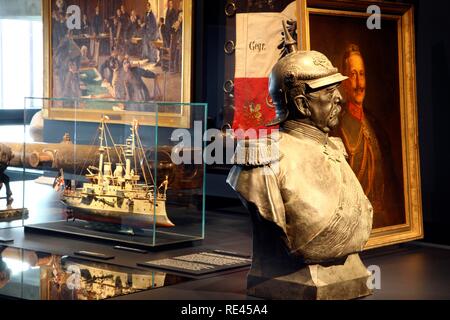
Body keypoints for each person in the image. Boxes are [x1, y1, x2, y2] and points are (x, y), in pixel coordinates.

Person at [227, 24, 373, 299]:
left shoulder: (335, 149)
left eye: (336, 90)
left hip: (349, 272)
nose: (340, 98)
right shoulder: (262, 164)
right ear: (302, 104)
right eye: (329, 93)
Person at [337, 44, 404, 228]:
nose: (360, 83)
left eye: (362, 74)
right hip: (354, 222)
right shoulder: (337, 127)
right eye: (353, 75)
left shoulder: (375, 124)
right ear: (344, 82)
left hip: (382, 221)